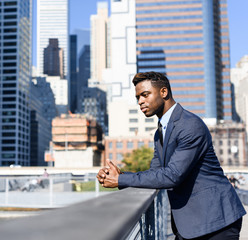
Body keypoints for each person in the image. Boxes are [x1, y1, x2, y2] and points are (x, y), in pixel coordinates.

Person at [97, 72, 246, 239]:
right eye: (138, 97)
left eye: (145, 95)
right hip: (191, 224)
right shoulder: (160, 132)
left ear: (164, 92)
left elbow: (172, 175)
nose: (140, 102)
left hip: (216, 221)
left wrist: (120, 180)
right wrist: (121, 176)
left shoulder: (189, 125)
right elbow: (156, 173)